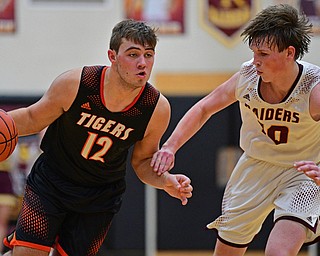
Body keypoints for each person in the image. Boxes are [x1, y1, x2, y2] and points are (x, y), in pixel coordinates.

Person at [1, 19, 193, 256]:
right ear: (112, 56)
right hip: (52, 182)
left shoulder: (156, 109)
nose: (142, 63)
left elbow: (142, 162)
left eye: (148, 55)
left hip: (99, 197)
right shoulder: (76, 84)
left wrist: (166, 181)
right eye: (133, 54)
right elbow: (32, 117)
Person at [151, 4, 320, 256]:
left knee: (278, 252)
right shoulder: (248, 76)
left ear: (289, 53)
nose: (256, 61)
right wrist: (170, 147)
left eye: (263, 54)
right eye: (253, 52)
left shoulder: (313, 88)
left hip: (302, 173)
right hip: (255, 167)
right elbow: (203, 109)